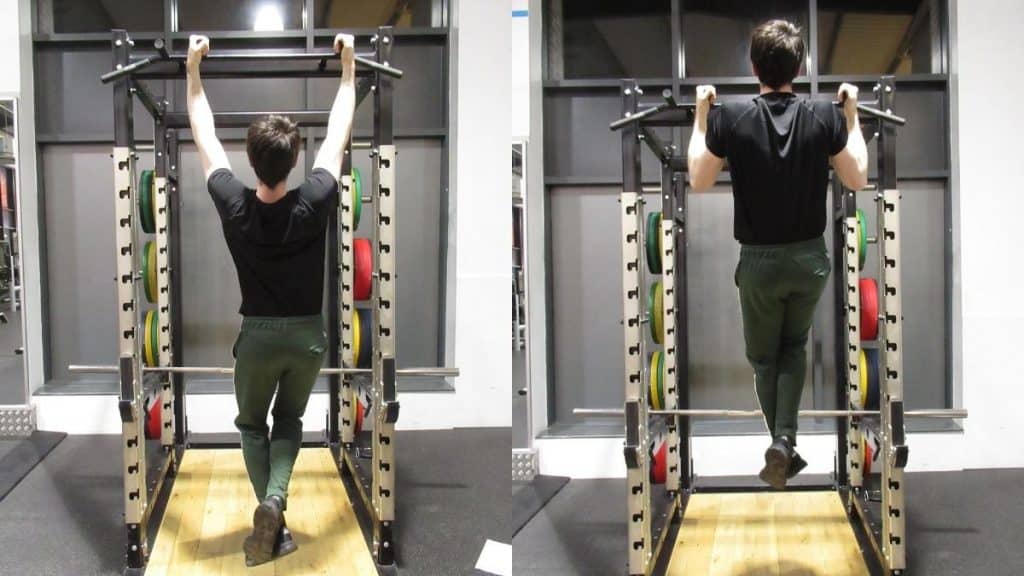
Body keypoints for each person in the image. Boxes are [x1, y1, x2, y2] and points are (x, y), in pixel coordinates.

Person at [186, 31, 356, 565]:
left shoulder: (233, 202)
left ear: (251, 161)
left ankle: (268, 508)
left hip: (256, 339)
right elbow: (338, 132)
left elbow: (203, 131)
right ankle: (277, 502)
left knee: (252, 426)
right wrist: (349, 69)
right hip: (307, 337)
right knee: (289, 424)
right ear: (293, 160)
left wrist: (194, 69)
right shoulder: (316, 198)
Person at [686, 19, 869, 490]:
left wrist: (701, 116)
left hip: (760, 263)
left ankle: (782, 441)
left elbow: (698, 179)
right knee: (794, 348)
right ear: (800, 66)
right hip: (809, 261)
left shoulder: (731, 118)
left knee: (764, 360)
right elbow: (858, 177)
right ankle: (784, 444)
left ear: (753, 67)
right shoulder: (825, 117)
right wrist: (852, 115)